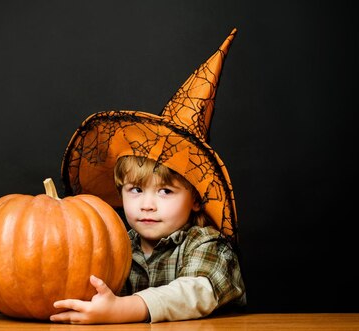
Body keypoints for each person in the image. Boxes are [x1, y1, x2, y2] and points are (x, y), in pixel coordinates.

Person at [51, 28, 246, 324]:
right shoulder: (115, 245)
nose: (147, 205)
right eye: (135, 190)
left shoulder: (207, 245)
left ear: (195, 199)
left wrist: (123, 309)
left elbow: (196, 292)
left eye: (165, 191)